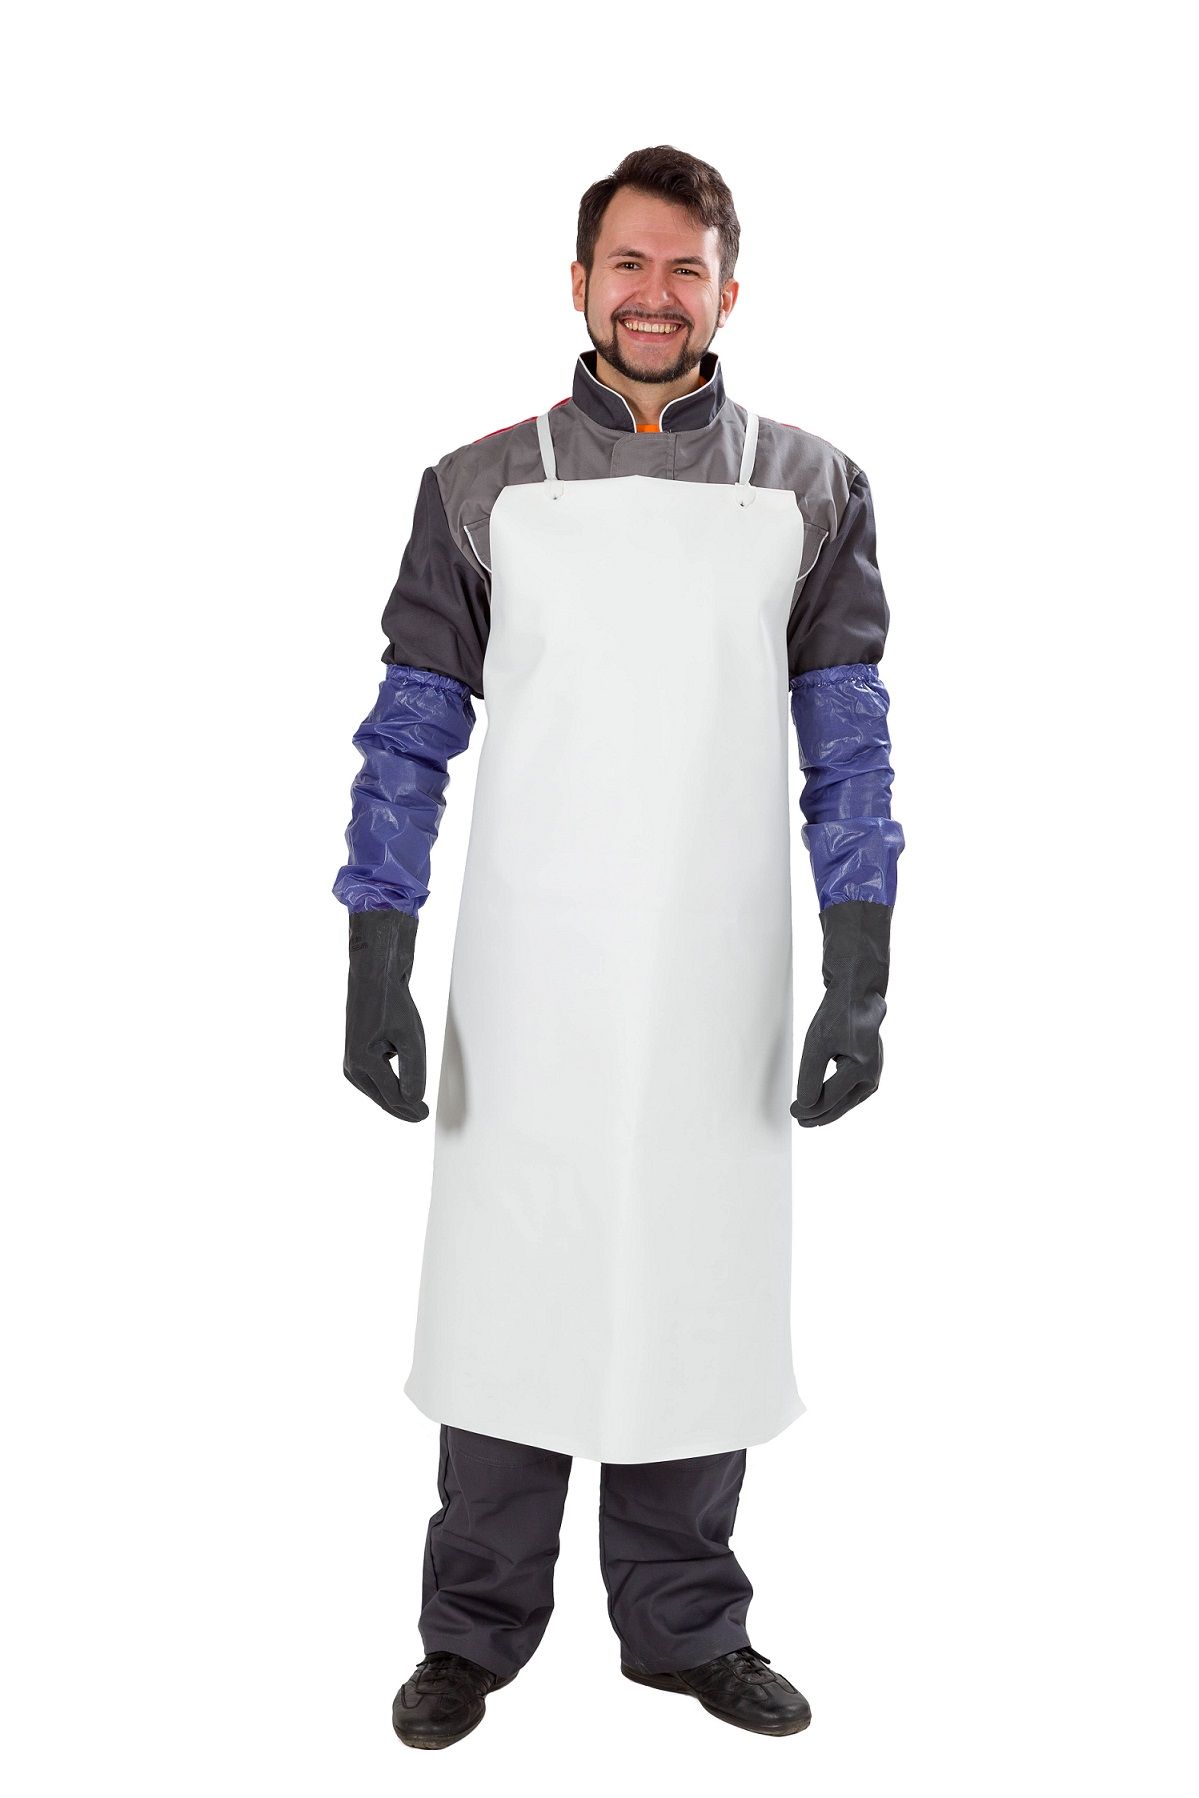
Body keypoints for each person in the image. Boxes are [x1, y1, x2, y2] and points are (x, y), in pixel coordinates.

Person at [333, 144, 904, 1750]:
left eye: (686, 269)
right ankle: (472, 1631)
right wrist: (376, 949)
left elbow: (847, 738)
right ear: (579, 282)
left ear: (731, 290)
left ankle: (685, 1627)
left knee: (695, 1293)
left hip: (718, 971)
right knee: (510, 1294)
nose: (657, 296)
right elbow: (411, 728)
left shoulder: (812, 487)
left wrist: (861, 960)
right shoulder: (480, 485)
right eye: (629, 265)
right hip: (528, 974)